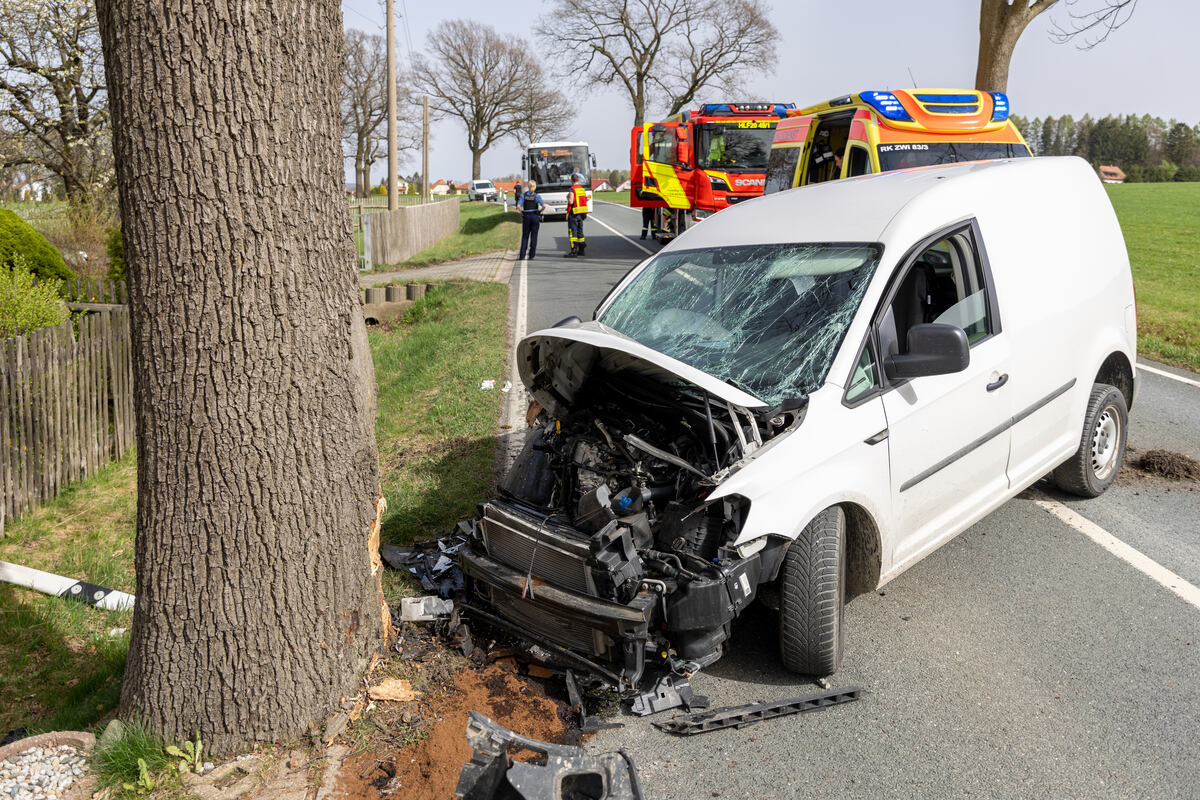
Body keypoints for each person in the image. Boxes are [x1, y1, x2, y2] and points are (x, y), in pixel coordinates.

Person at [517, 180, 545, 260]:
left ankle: (522, 255)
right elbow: (544, 206)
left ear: (528, 186)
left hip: (526, 216)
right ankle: (531, 255)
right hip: (535, 216)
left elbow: (518, 206)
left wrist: (522, 211)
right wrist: (539, 211)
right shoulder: (537, 196)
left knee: (525, 236)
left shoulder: (523, 195)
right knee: (534, 236)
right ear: (535, 186)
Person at [564, 173, 590, 258]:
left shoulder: (572, 189)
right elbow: (583, 200)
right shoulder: (582, 189)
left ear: (572, 180)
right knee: (580, 232)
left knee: (573, 232)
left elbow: (571, 202)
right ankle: (581, 250)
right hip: (581, 214)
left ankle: (574, 251)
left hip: (573, 214)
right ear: (578, 180)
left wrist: (567, 198)